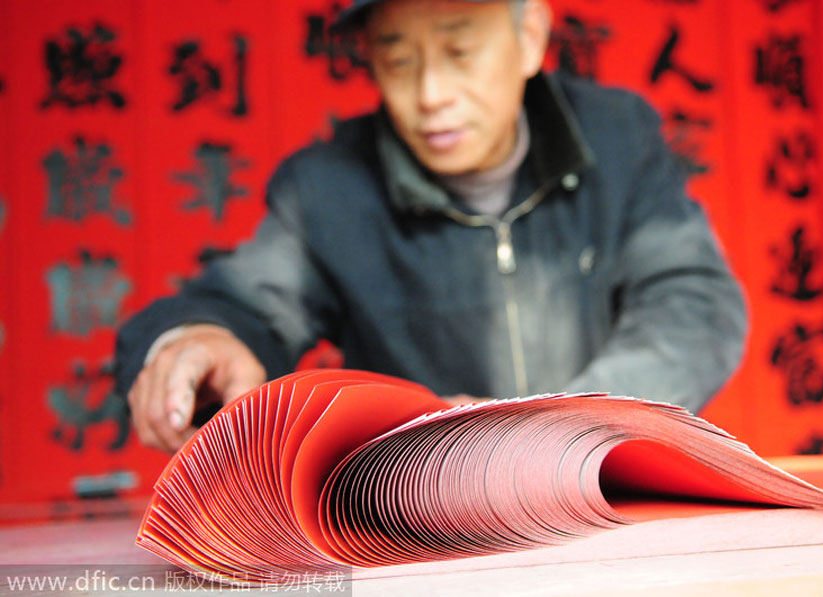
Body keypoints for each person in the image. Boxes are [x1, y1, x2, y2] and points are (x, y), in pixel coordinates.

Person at [115, 0, 748, 454]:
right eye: (398, 60)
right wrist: (198, 341)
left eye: (459, 51)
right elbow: (243, 304)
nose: (430, 94)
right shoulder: (329, 189)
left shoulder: (616, 137)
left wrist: (567, 428)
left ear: (530, 36)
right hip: (420, 530)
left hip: (606, 492)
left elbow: (692, 302)